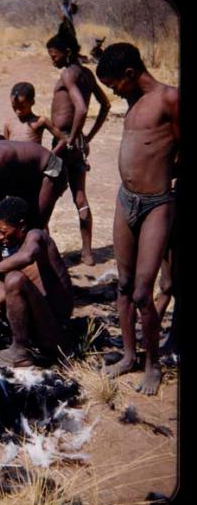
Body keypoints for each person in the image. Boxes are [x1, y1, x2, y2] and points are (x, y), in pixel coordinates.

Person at [96, 42, 179, 395]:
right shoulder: (132, 101)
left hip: (157, 203)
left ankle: (153, 364)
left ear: (130, 74)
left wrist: (167, 177)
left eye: (115, 83)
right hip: (124, 200)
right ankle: (129, 356)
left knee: (145, 292)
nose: (113, 92)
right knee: (125, 286)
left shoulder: (169, 99)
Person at [0, 196, 73, 367]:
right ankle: (21, 335)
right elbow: (19, 292)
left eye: (3, 230)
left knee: (13, 278)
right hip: (37, 318)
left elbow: (28, 257)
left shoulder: (36, 236)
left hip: (54, 332)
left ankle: (21, 350)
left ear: (22, 226)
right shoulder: (17, 244)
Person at [47, 31, 111, 265]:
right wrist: (88, 137)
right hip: (77, 142)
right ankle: (87, 253)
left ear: (67, 53)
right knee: (80, 197)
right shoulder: (87, 74)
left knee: (46, 195)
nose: (52, 59)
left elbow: (82, 109)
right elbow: (105, 105)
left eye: (54, 55)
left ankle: (47, 252)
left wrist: (72, 138)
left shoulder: (68, 74)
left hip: (65, 142)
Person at [4, 82, 67, 154]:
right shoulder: (8, 123)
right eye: (14, 107)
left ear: (32, 102)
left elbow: (62, 139)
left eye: (22, 107)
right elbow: (6, 146)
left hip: (34, 163)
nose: (18, 111)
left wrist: (50, 156)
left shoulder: (40, 121)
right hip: (14, 163)